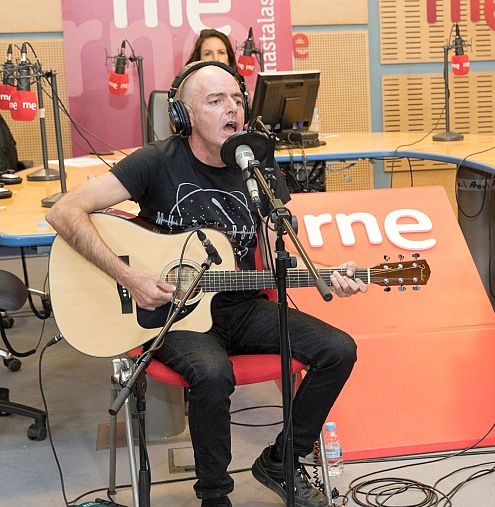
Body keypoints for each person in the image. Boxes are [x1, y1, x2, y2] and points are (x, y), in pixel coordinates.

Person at [46, 61, 364, 507]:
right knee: (213, 373)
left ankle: (281, 460)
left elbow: (277, 249)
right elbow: (64, 212)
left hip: (241, 305)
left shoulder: (257, 164)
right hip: (171, 313)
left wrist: (325, 273)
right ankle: (215, 497)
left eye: (236, 99)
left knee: (338, 349)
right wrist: (130, 276)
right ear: (185, 115)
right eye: (215, 101)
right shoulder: (156, 162)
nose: (231, 109)